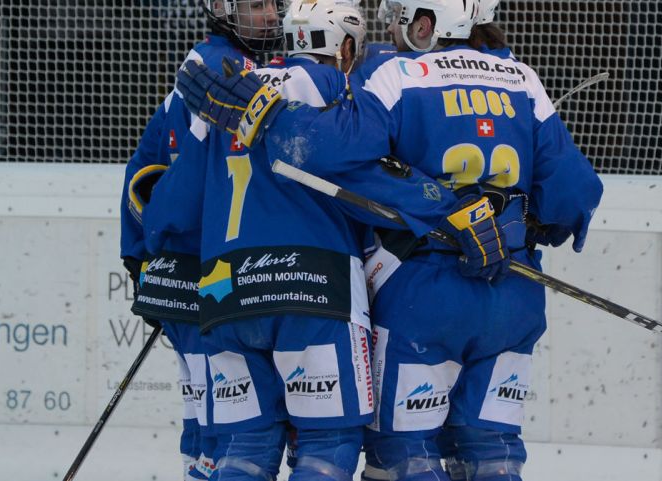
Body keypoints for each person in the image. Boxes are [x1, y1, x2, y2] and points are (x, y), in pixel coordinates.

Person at [174, 0, 605, 480]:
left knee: (404, 456)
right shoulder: (522, 78)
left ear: (426, 22)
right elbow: (576, 194)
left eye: (400, 13)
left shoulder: (399, 75)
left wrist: (267, 115)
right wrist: (529, 225)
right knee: (494, 450)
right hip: (513, 291)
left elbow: (337, 152)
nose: (391, 24)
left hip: (422, 291)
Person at [119, 1, 283, 479]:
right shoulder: (220, 73)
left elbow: (141, 175)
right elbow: (167, 180)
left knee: (205, 418)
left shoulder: (201, 68)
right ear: (223, 9)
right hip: (209, 275)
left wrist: (140, 261)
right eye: (257, 5)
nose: (270, 15)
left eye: (274, 4)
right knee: (232, 429)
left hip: (184, 272)